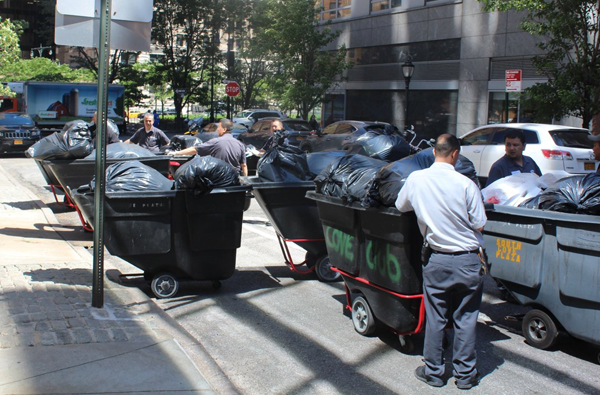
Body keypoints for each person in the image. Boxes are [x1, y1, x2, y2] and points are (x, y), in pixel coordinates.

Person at [395, 134, 486, 390]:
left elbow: (401, 206)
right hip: (468, 260)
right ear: (455, 154)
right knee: (466, 318)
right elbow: (479, 222)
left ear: (434, 152)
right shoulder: (466, 184)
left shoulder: (416, 179)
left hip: (437, 259)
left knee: (436, 317)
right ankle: (465, 376)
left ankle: (434, 373)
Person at [173, 118, 247, 176]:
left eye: (219, 127)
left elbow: (194, 149)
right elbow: (244, 165)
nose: (217, 129)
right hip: (235, 177)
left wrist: (176, 153)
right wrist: (245, 181)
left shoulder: (216, 142)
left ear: (224, 130)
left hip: (219, 177)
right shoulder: (240, 144)